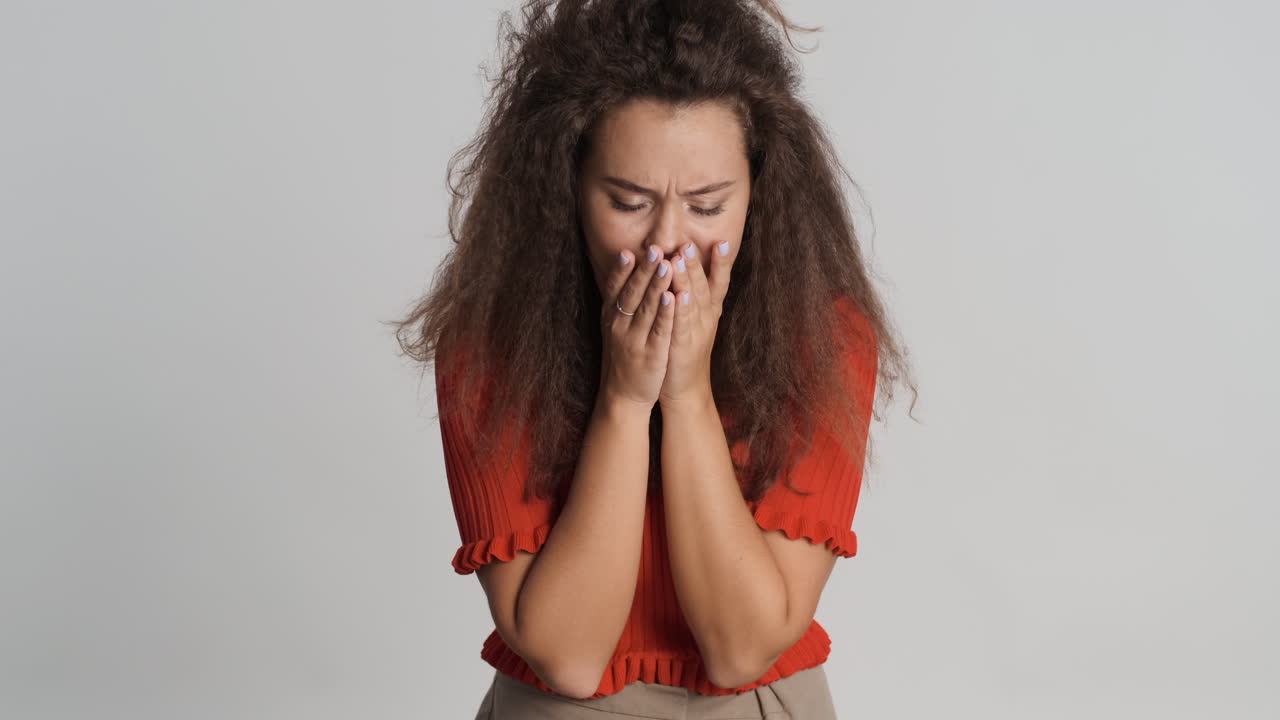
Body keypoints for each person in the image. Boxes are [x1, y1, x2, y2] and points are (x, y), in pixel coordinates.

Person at [392, 1, 917, 717]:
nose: (669, 243)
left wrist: (688, 395)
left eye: (707, 206)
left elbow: (742, 647)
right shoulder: (489, 342)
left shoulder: (825, 339)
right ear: (567, 190)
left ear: (759, 195)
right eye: (628, 201)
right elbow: (568, 657)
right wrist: (625, 400)